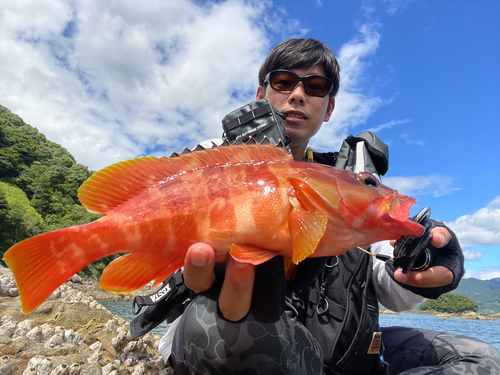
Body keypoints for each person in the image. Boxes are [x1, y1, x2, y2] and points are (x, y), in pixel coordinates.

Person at [164, 39, 500, 374]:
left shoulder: (351, 184)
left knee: (481, 360)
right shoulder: (208, 166)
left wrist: (423, 261)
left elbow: (388, 283)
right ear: (260, 95)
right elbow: (165, 245)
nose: (297, 95)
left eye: (315, 87)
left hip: (342, 355)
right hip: (244, 337)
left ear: (329, 109)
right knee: (223, 333)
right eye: (282, 82)